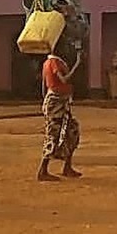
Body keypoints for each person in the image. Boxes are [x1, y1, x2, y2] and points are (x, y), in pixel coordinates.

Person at [37, 39, 83, 181]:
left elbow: (45, 87)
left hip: (56, 101)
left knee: (71, 132)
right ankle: (43, 170)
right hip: (57, 102)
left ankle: (66, 166)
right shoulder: (55, 62)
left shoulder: (47, 63)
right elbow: (63, 80)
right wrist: (77, 64)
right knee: (54, 135)